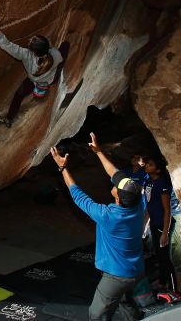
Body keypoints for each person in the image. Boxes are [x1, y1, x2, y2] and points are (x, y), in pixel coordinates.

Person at [50, 133, 145, 320]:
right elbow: (115, 173)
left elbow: (78, 196)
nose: (116, 181)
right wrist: (99, 151)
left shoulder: (108, 217)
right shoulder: (138, 203)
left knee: (96, 314)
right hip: (136, 270)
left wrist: (63, 168)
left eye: (117, 186)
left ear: (117, 196)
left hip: (117, 276)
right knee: (125, 303)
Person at [0, 14, 69, 127]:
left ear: (33, 52)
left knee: (18, 96)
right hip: (51, 79)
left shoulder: (26, 55)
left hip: (33, 80)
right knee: (65, 45)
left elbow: (5, 44)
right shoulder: (55, 54)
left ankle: (8, 119)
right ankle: (44, 85)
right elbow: (58, 57)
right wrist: (51, 48)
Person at [143, 155, 178, 293]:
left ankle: (174, 287)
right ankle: (163, 281)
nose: (146, 166)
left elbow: (167, 209)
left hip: (163, 224)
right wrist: (145, 225)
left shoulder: (162, 184)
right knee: (158, 254)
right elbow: (149, 205)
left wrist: (165, 232)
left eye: (150, 164)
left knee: (165, 257)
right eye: (147, 164)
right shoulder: (148, 183)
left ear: (157, 170)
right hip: (154, 223)